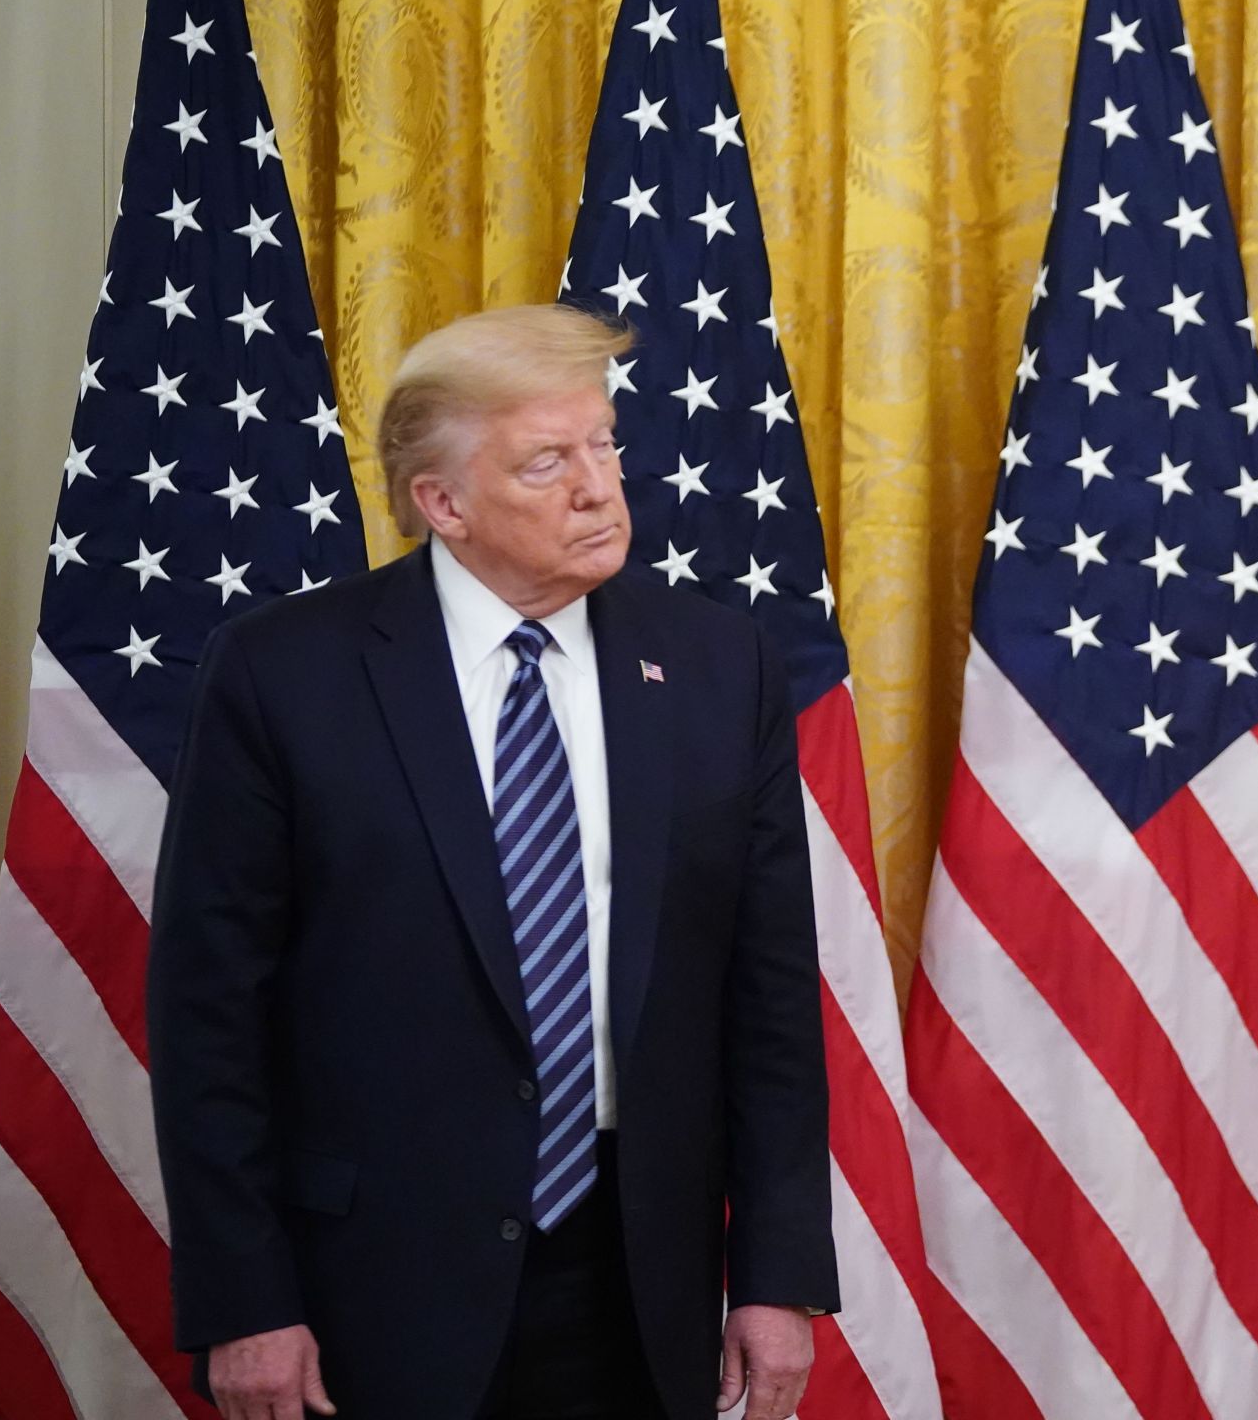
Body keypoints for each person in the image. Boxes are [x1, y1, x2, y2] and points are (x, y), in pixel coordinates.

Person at [147, 305, 840, 1419]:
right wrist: (243, 1298)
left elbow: (769, 999)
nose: (598, 487)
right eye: (547, 462)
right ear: (443, 504)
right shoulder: (285, 674)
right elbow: (207, 1013)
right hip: (371, 1288)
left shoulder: (718, 666)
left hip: (640, 1275)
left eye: (605, 445)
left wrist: (777, 1276)